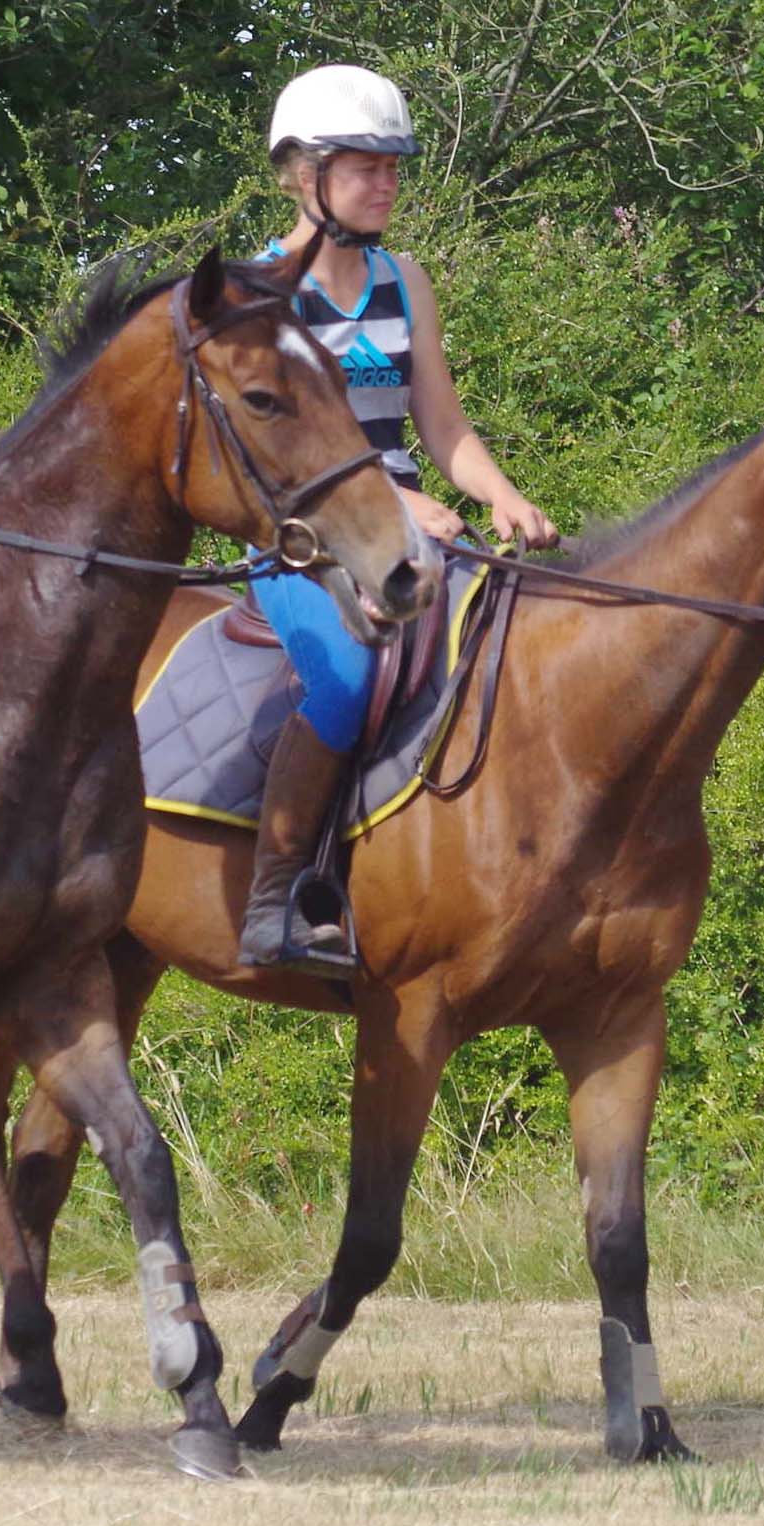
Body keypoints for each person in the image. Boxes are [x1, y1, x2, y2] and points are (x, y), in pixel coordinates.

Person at [243, 63, 559, 979]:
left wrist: (498, 493)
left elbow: (442, 424)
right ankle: (278, 899)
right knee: (345, 680)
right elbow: (275, 456)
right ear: (306, 174)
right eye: (365, 165)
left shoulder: (404, 278)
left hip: (414, 530)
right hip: (303, 537)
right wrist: (397, 502)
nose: (387, 183)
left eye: (394, 166)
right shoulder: (265, 289)